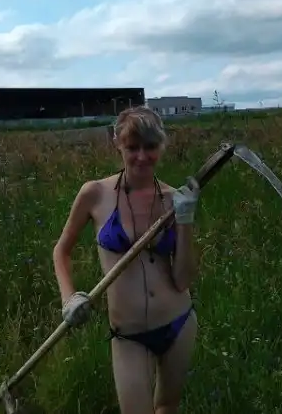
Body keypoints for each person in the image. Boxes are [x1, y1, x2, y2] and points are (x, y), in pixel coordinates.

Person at [52, 106, 202, 414]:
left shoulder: (174, 200)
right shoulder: (95, 194)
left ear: (162, 145)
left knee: (168, 407)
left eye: (151, 146)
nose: (142, 157)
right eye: (133, 147)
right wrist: (69, 298)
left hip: (178, 321)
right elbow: (61, 250)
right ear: (117, 144)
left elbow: (183, 280)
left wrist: (185, 221)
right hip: (129, 335)